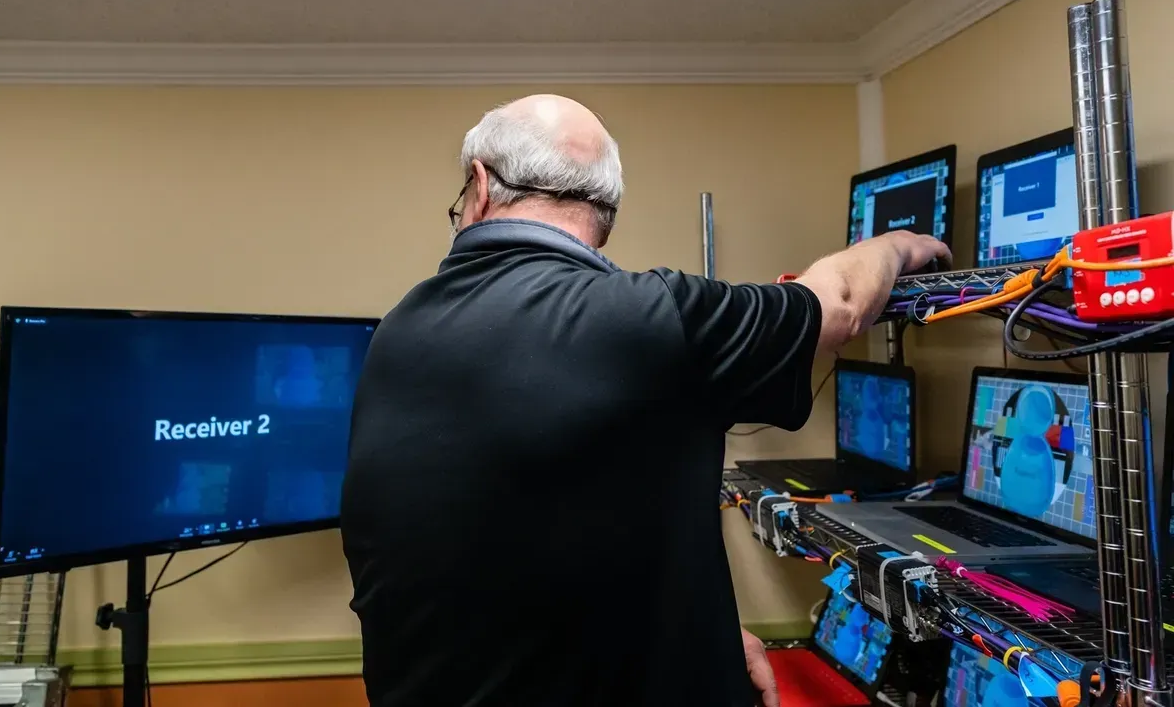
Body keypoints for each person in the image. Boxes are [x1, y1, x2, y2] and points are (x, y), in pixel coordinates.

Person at [341, 94, 950, 707]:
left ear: (478, 187)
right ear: (606, 214)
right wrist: (899, 244)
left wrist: (699, 631)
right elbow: (840, 302)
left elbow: (512, 531)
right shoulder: (652, 317)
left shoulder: (399, 328)